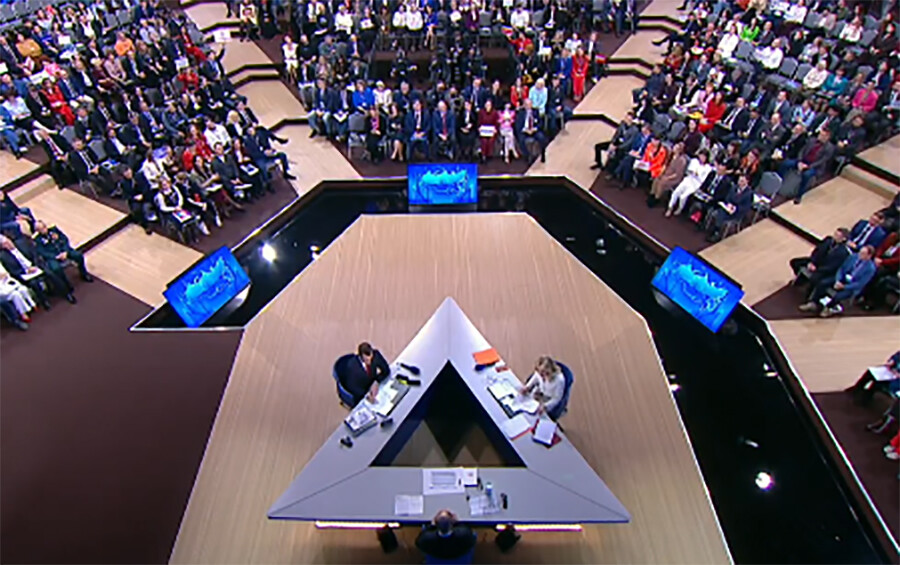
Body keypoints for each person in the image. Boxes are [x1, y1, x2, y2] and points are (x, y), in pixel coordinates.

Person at [799, 245, 877, 317]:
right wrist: (838, 280)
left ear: (869, 256)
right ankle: (813, 302)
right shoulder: (853, 257)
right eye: (860, 252)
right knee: (823, 283)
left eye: (863, 254)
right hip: (842, 278)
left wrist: (844, 287)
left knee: (838, 296)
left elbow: (860, 284)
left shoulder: (870, 268)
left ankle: (829, 308)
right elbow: (841, 269)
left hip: (851, 286)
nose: (859, 254)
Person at [33, 220, 94, 288]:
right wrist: (56, 256)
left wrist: (65, 251)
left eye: (44, 227)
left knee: (78, 255)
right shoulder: (37, 240)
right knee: (56, 268)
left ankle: (84, 274)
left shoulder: (54, 230)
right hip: (53, 256)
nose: (44, 230)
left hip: (63, 251)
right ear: (38, 231)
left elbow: (65, 239)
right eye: (41, 229)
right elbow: (42, 252)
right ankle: (66, 284)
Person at [789, 227, 850, 294]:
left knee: (814, 279)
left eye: (837, 236)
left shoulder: (843, 252)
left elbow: (832, 267)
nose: (834, 236)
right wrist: (812, 262)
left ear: (843, 239)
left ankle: (809, 293)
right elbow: (816, 250)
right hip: (815, 262)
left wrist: (817, 269)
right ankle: (802, 280)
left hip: (823, 269)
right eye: (835, 234)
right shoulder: (828, 240)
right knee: (794, 262)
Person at [666, 151, 712, 217]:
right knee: (676, 192)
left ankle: (680, 208)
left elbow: (703, 179)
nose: (702, 158)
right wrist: (692, 173)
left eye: (704, 156)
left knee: (683, 196)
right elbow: (689, 171)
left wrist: (697, 175)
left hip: (696, 184)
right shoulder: (694, 161)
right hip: (689, 179)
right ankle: (670, 208)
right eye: (701, 155)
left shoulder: (708, 168)